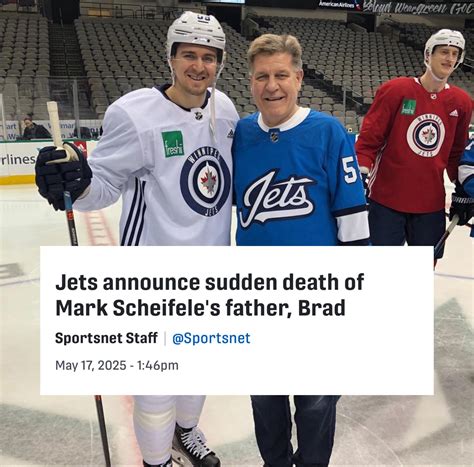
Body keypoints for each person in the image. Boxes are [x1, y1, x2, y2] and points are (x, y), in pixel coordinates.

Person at [35, 11, 238, 467]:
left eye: (209, 57)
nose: (199, 66)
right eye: (189, 55)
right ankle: (155, 460)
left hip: (211, 270)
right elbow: (103, 186)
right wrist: (75, 184)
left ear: (220, 63)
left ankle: (185, 433)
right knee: (156, 383)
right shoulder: (134, 113)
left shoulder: (225, 109)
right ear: (171, 57)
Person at [233, 34, 370, 466]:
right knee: (265, 401)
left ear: (299, 78)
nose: (271, 86)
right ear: (250, 82)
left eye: (281, 75)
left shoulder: (327, 132)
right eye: (262, 76)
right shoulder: (240, 134)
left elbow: (353, 220)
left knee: (315, 402)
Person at [355, 29, 472, 258]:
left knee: (422, 271)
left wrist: (463, 190)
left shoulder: (462, 102)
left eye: (454, 54)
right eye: (444, 51)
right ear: (428, 54)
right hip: (386, 201)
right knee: (380, 270)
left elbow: (457, 153)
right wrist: (359, 177)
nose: (449, 58)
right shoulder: (396, 90)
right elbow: (369, 141)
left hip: (430, 205)